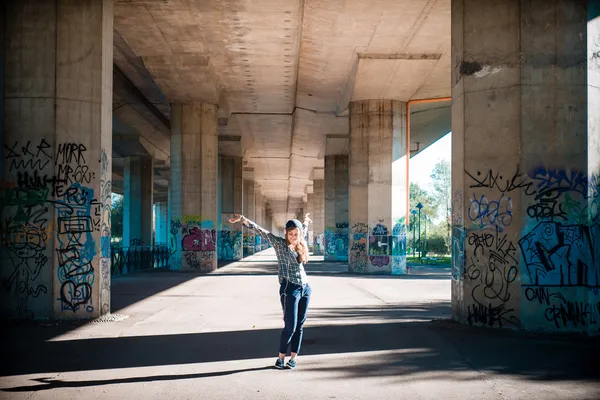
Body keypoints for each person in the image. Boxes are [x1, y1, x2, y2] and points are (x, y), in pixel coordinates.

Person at [228, 212, 313, 370]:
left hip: (306, 288)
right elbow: (262, 231)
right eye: (291, 233)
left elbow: (304, 230)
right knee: (290, 326)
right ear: (285, 233)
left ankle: (293, 357)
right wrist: (243, 220)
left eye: (296, 234)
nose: (294, 236)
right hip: (290, 289)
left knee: (300, 326)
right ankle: (281, 357)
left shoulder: (301, 242)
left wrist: (306, 221)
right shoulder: (280, 244)